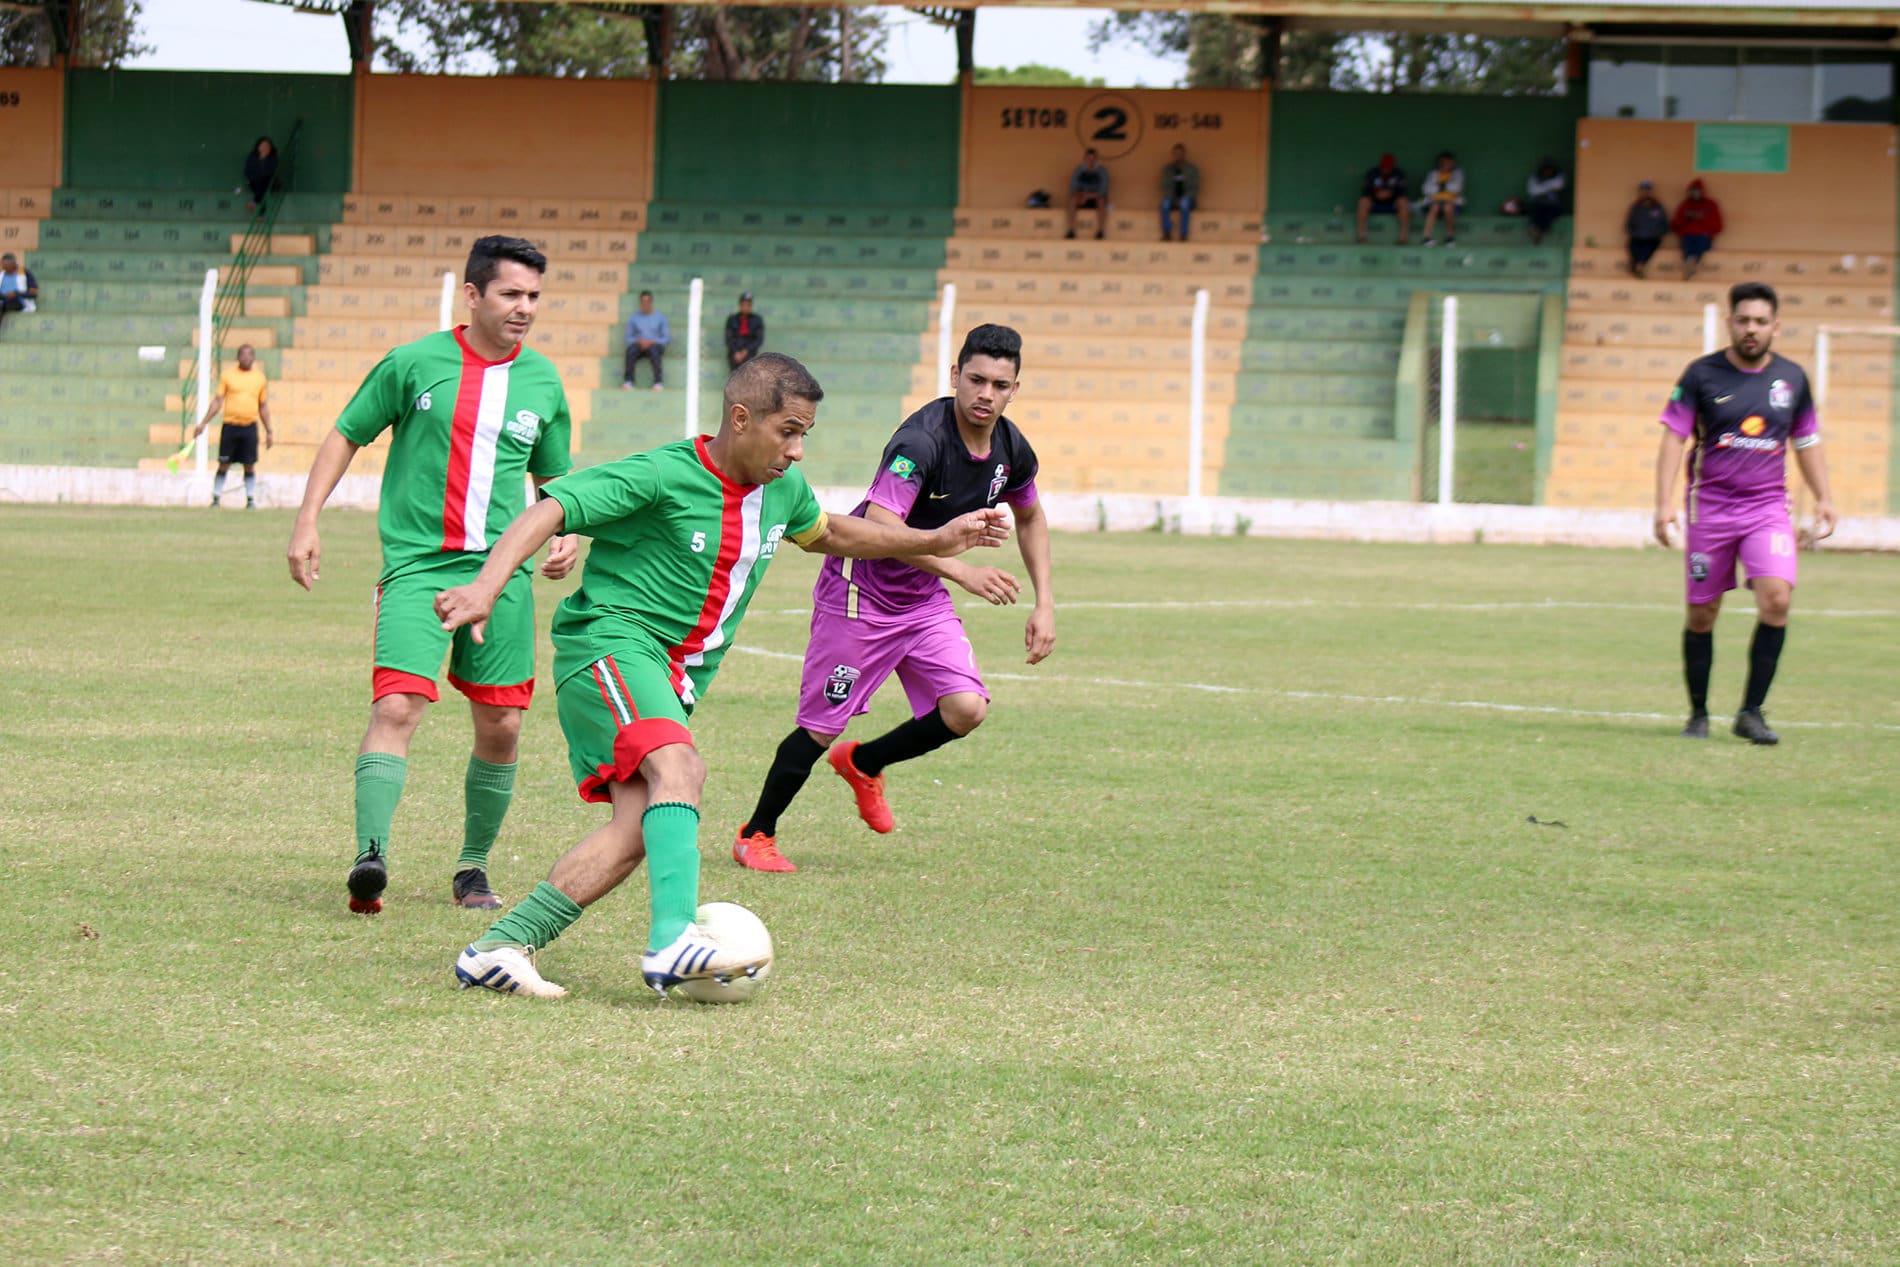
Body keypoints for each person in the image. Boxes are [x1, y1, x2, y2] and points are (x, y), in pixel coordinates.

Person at [437, 353, 1014, 1000]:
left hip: (670, 677)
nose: (797, 450)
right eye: (788, 431)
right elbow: (551, 507)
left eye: (805, 435)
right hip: (612, 647)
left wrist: (937, 539)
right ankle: (675, 939)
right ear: (741, 418)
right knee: (682, 770)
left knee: (635, 830)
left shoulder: (781, 491)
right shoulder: (663, 474)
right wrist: (486, 585)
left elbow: (838, 535)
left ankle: (499, 946)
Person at [287, 235, 579, 915]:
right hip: (419, 567)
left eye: (534, 296)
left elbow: (556, 478)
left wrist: (565, 534)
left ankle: (473, 868)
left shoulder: (543, 380)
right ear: (472, 294)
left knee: (502, 724)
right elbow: (346, 433)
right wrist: (308, 518)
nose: (524, 307)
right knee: (397, 705)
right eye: (511, 293)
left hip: (502, 574)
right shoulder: (415, 362)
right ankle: (372, 855)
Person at [731, 324, 1054, 874]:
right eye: (975, 379)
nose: (986, 394)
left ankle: (865, 761)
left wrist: (1045, 602)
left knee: (966, 708)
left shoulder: (1010, 447)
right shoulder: (920, 442)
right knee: (821, 726)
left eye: (1000, 384)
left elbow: (1031, 515)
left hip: (921, 599)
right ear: (955, 376)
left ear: (1014, 388)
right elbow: (881, 529)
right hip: (861, 593)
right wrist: (962, 573)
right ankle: (756, 833)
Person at [1653, 282, 1835, 745]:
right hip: (1710, 511)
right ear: (1730, 323)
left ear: (1775, 326)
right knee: (1702, 614)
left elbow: (1806, 441)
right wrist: (1663, 503)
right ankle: (1698, 714)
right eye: (1743, 320)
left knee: (1777, 599)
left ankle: (1751, 713)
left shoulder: (1792, 379)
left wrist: (1825, 497)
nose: (1750, 329)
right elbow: (1674, 437)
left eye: (1759, 321)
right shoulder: (1700, 375)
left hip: (1766, 509)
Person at [191, 342, 274, 508]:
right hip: (230, 426)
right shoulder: (228, 376)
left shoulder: (259, 378)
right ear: (237, 357)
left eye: (250, 354)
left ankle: (250, 500)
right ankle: (215, 498)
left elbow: (262, 406)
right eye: (243, 354)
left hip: (249, 426)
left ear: (254, 358)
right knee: (224, 463)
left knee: (249, 464)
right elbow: (218, 401)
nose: (246, 357)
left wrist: (269, 430)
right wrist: (203, 423)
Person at [1672, 180, 1724, 281]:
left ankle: (1692, 264)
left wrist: (1702, 218)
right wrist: (1687, 218)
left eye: (1697, 190)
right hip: (1687, 235)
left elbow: (1718, 225)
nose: (1695, 193)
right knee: (1688, 248)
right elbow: (1676, 224)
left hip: (1704, 235)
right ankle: (1690, 265)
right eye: (1693, 191)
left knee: (1700, 246)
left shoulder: (1711, 205)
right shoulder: (1685, 205)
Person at [1355, 153, 1409, 245]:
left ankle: (1403, 237)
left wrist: (1391, 193)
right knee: (1363, 201)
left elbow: (1402, 191)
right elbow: (1365, 190)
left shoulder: (1398, 174)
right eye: (1384, 167)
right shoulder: (1372, 173)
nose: (1386, 169)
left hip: (1392, 204)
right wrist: (1376, 195)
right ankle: (1361, 236)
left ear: (1393, 166)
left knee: (1403, 201)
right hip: (1375, 203)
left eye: (1388, 167)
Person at [622, 289, 669, 391]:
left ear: (651, 303)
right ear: (640, 303)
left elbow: (666, 338)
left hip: (654, 345)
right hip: (640, 346)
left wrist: (652, 341)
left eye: (647, 302)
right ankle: (628, 381)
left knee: (654, 350)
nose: (645, 304)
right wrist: (638, 341)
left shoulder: (660, 317)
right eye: (643, 302)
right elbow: (628, 338)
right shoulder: (634, 318)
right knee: (631, 350)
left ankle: (658, 382)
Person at [1420, 151, 1465, 246]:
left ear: (1453, 163)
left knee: (1447, 206)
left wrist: (1438, 187)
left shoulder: (1457, 173)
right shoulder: (1433, 174)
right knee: (1435, 206)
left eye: (1449, 162)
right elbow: (1426, 189)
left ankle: (1450, 237)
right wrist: (1445, 187)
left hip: (1452, 205)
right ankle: (1426, 237)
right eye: (1443, 162)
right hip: (1434, 203)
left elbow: (1456, 187)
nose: (1446, 164)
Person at [1625, 181, 1668, 279]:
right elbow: (1630, 222)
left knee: (1649, 247)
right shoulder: (1636, 207)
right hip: (1638, 235)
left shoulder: (1657, 206)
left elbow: (1664, 222)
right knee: (1633, 246)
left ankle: (1640, 265)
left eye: (1647, 190)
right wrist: (1632, 231)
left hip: (1653, 236)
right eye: (1643, 190)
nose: (1645, 193)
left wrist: (1659, 232)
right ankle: (1637, 265)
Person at [1159, 143, 1199, 243]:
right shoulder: (1168, 169)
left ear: (1184, 154)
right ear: (1173, 154)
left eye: (1180, 153)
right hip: (1171, 198)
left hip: (1188, 199)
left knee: (1184, 203)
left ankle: (1183, 234)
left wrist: (1183, 198)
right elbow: (1165, 186)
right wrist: (1172, 198)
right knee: (1164, 204)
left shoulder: (1192, 169)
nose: (1178, 156)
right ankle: (1167, 233)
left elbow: (1195, 187)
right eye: (1176, 154)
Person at [1066, 148, 1109, 240]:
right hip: (1082, 198)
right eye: (1088, 159)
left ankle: (1100, 231)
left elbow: (1103, 191)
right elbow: (1073, 189)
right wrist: (1082, 196)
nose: (1091, 161)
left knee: (1102, 200)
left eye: (1093, 159)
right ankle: (1071, 231)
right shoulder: (1079, 170)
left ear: (1096, 159)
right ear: (1084, 158)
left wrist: (1087, 196)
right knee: (1072, 200)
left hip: (1095, 199)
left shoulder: (1102, 171)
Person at [1525, 158, 1565, 245]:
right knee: (1535, 209)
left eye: (1550, 170)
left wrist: (1543, 187)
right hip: (1538, 204)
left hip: (1553, 205)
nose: (1548, 172)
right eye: (1546, 170)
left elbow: (1559, 185)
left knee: (1550, 211)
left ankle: (1539, 231)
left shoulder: (1558, 176)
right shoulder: (1534, 177)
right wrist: (1548, 187)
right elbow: (1533, 191)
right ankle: (1536, 230)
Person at [725, 292, 764, 370]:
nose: (745, 307)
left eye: (748, 305)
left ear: (751, 306)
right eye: (743, 305)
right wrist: (736, 352)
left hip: (750, 356)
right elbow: (729, 338)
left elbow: (758, 339)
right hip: (735, 356)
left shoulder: (757, 320)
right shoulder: (732, 319)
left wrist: (746, 351)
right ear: (740, 305)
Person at [0, 253, 38, 331]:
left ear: (14, 264)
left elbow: (34, 293)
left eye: (7, 266)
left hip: (19, 302)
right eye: (3, 265)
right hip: (3, 299)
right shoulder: (1, 274)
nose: (4, 267)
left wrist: (16, 294)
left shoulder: (25, 273)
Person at [244, 137, 277, 211]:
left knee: (264, 182)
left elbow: (271, 171)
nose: (265, 148)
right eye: (263, 146)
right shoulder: (252, 156)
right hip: (255, 182)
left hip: (269, 182)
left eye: (267, 146)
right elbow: (247, 171)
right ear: (258, 147)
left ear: (270, 148)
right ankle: (261, 214)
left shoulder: (273, 157)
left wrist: (264, 159)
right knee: (262, 190)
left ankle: (254, 202)